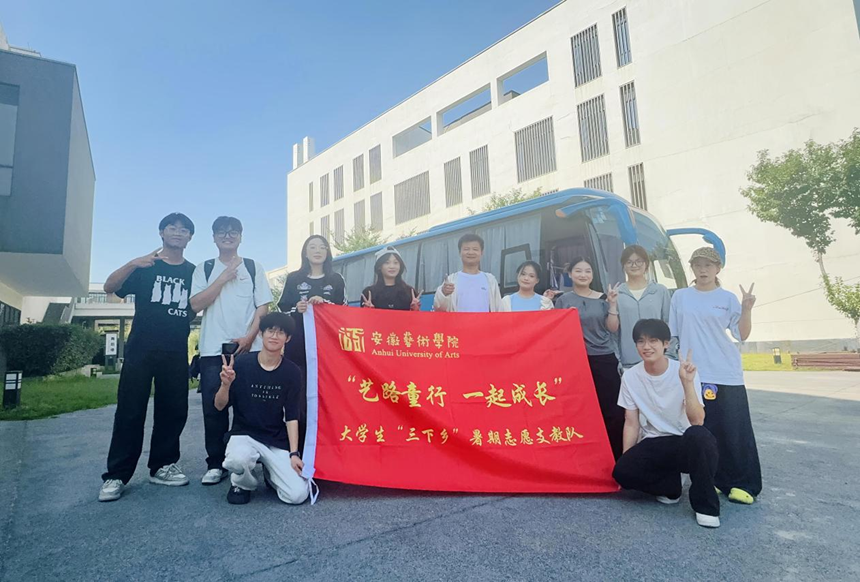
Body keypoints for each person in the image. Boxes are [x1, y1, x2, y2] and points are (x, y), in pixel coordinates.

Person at [98, 213, 197, 502]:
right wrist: (132, 263)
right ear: (161, 233)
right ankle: (117, 475)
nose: (177, 232)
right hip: (141, 349)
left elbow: (199, 303)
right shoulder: (145, 266)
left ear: (190, 237)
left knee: (173, 410)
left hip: (175, 349)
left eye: (184, 230)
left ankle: (162, 466)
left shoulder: (194, 272)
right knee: (129, 411)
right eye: (172, 228)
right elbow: (109, 287)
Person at [669, 247, 761, 505]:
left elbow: (742, 334)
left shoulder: (728, 298)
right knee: (705, 428)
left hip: (725, 371)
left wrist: (746, 309)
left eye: (708, 265)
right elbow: (673, 334)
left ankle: (743, 483)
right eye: (698, 265)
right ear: (692, 268)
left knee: (734, 428)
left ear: (718, 268)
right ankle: (715, 479)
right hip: (694, 373)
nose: (703, 270)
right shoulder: (680, 297)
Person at [612, 319, 721, 528]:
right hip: (655, 441)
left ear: (666, 344)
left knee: (700, 436)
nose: (646, 346)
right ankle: (671, 486)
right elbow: (631, 423)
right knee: (621, 472)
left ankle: (706, 507)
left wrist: (687, 383)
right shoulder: (630, 377)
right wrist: (628, 460)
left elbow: (697, 420)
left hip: (685, 440)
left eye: (653, 340)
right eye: (641, 341)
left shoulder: (684, 371)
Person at [189, 216, 273, 486]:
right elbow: (196, 304)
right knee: (214, 408)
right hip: (213, 350)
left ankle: (249, 461)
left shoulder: (253, 267)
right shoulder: (204, 268)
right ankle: (215, 464)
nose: (228, 236)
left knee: (251, 408)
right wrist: (223, 278)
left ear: (241, 237)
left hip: (250, 349)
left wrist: (250, 338)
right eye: (222, 232)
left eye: (233, 232)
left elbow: (263, 307)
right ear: (214, 237)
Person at [215, 312, 309, 505]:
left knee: (298, 495)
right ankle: (243, 483)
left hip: (275, 439)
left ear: (287, 338)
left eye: (281, 333)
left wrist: (294, 454)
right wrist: (225, 385)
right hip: (244, 434)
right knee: (236, 460)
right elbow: (219, 405)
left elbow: (292, 415)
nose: (274, 336)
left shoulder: (292, 372)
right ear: (261, 333)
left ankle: (271, 474)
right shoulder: (242, 364)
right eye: (270, 331)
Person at [555, 257, 624, 460]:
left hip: (604, 358)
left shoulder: (603, 298)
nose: (583, 275)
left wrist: (612, 304)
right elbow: (557, 331)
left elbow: (613, 328)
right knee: (580, 410)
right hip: (576, 361)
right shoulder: (563, 300)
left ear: (592, 275)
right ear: (570, 274)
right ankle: (585, 457)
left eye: (587, 271)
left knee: (612, 410)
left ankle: (615, 456)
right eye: (578, 271)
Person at [615, 245, 673, 369]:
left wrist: (668, 355)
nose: (634, 265)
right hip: (629, 361)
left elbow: (669, 323)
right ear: (623, 265)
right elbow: (613, 333)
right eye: (629, 262)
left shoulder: (660, 291)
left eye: (639, 261)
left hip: (658, 358)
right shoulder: (617, 293)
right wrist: (617, 359)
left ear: (646, 264)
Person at [433, 234, 504, 312]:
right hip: (458, 320)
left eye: (475, 249)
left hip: (485, 320)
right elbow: (439, 308)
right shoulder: (451, 280)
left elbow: (499, 310)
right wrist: (444, 294)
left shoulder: (490, 280)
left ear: (481, 252)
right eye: (466, 249)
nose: (471, 252)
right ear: (460, 252)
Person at [360, 246, 421, 311]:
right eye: (387, 263)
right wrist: (367, 311)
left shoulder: (409, 292)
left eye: (396, 263)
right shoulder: (369, 293)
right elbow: (363, 317)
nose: (392, 266)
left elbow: (416, 317)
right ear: (379, 266)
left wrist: (415, 310)